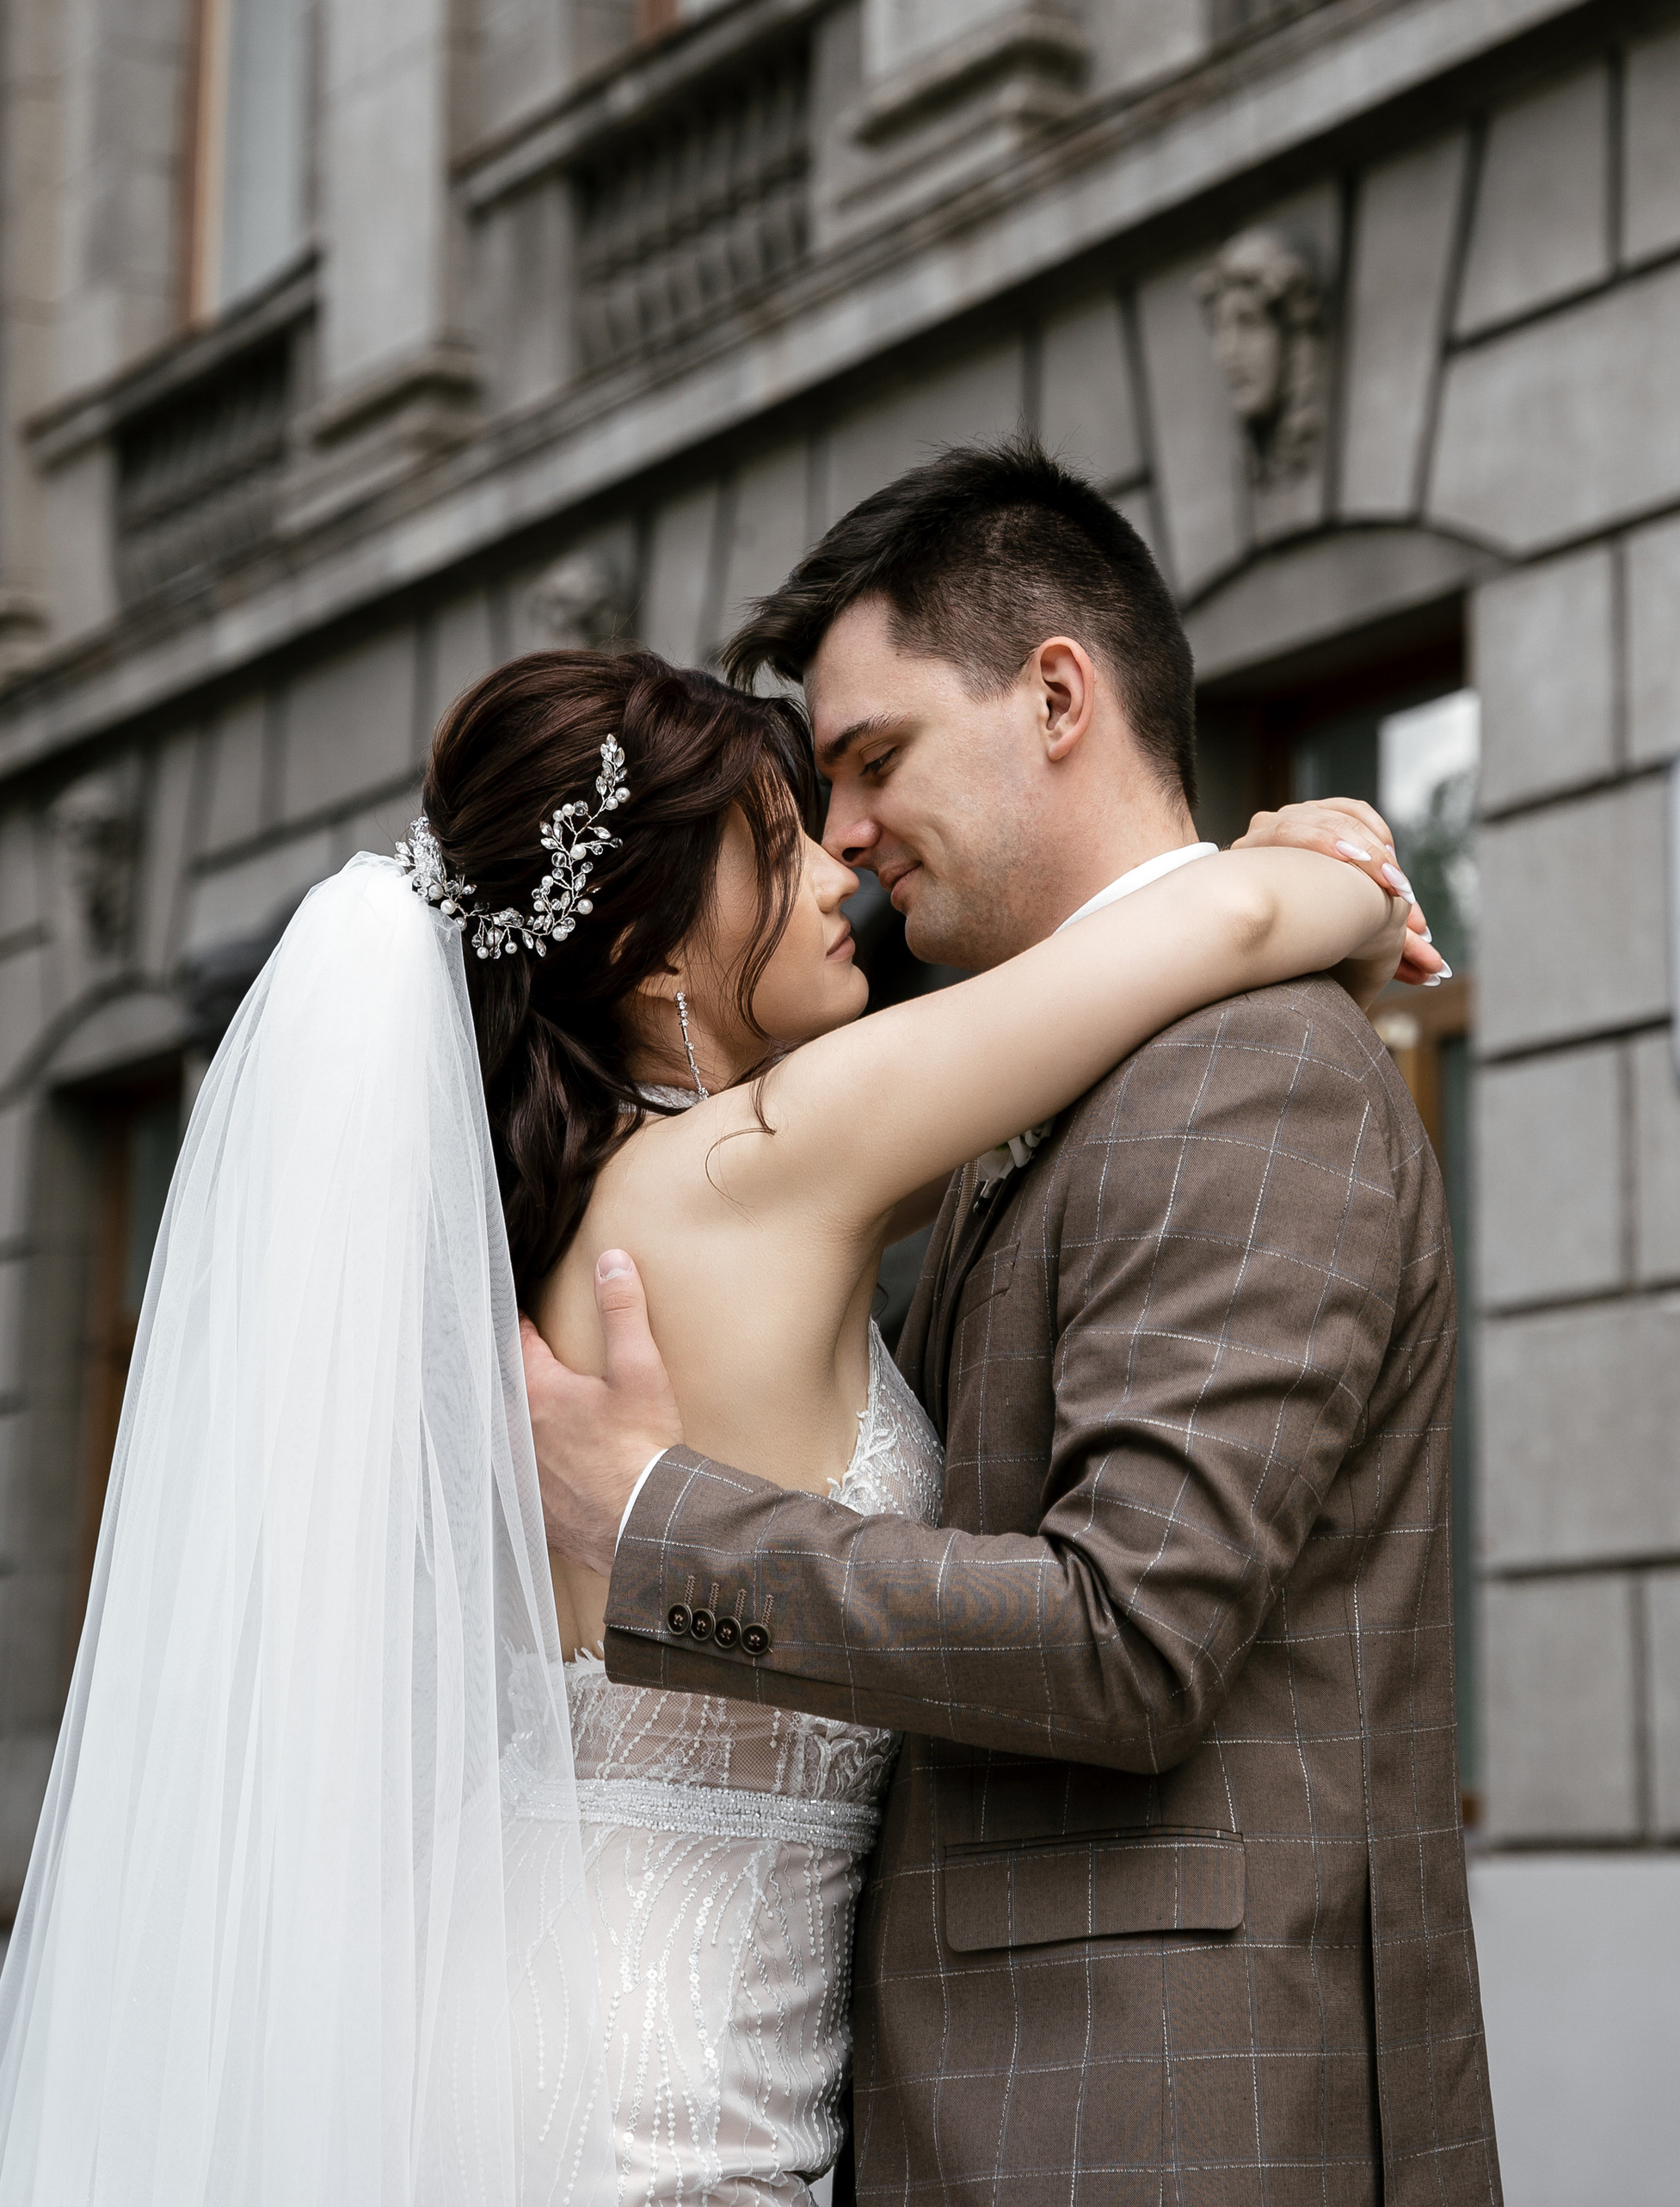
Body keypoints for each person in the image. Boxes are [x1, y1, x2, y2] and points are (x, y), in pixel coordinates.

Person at [0, 630, 1423, 2207]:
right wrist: (1344, 856)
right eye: (779, 841)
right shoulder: (753, 1168)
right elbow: (1217, 928)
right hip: (657, 2117)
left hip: (536, 2063)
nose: (839, 879)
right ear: (649, 953)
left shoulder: (562, 1226)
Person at [527, 441, 1503, 2207]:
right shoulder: (997, 1098)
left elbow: (1131, 1634)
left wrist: (662, 1526)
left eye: (870, 760)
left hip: (1145, 2120)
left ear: (1056, 697)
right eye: (804, 809)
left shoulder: (1246, 1071)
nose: (843, 840)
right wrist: (1316, 870)